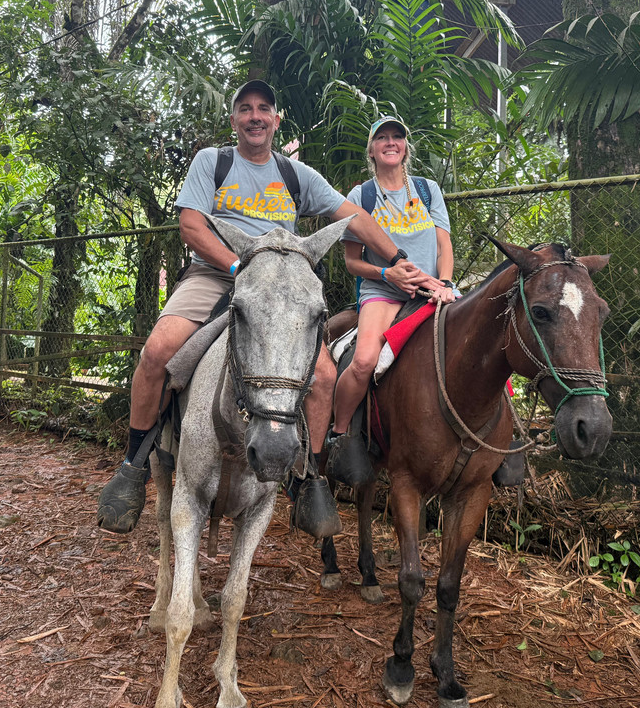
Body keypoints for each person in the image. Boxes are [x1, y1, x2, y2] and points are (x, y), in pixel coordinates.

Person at [97, 82, 440, 536]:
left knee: (323, 376)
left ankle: (309, 478)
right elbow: (191, 226)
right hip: (216, 274)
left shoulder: (295, 174)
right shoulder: (213, 162)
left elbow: (354, 217)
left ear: (276, 121)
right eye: (245, 109)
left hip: (279, 290)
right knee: (157, 352)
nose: (255, 116)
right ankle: (133, 464)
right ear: (234, 120)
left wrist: (398, 260)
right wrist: (238, 265)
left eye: (264, 108)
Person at [326, 115, 458, 485]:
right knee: (364, 361)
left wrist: (445, 283)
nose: (390, 142)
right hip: (382, 292)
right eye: (382, 137)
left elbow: (444, 245)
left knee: (478, 339)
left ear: (405, 147)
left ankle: (500, 444)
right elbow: (353, 263)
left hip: (432, 290)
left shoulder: (428, 190)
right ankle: (340, 435)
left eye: (397, 136)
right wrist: (387, 274)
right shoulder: (361, 196)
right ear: (371, 150)